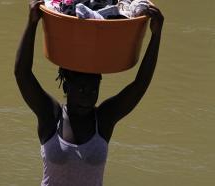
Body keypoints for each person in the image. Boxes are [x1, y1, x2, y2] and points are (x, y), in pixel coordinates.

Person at [14, 0, 163, 185]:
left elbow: (140, 85)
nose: (88, 96)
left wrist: (156, 35)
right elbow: (22, 74)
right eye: (82, 89)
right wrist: (32, 23)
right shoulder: (51, 116)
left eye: (94, 90)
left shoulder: (103, 120)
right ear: (67, 87)